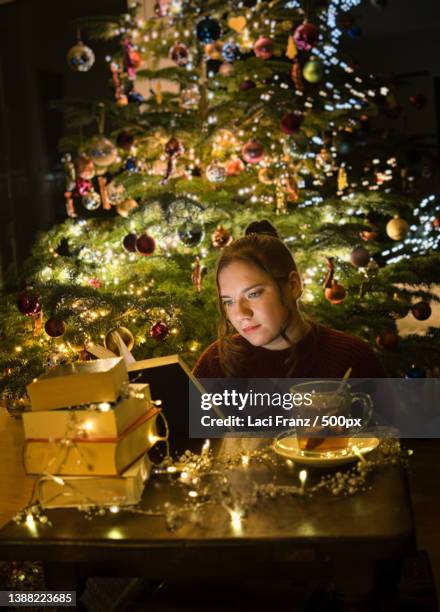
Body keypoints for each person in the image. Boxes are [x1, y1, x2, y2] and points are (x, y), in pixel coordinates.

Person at [193, 220, 387, 379]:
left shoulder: (350, 359)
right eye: (228, 301)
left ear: (293, 285)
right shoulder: (215, 364)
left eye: (253, 294)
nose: (241, 314)